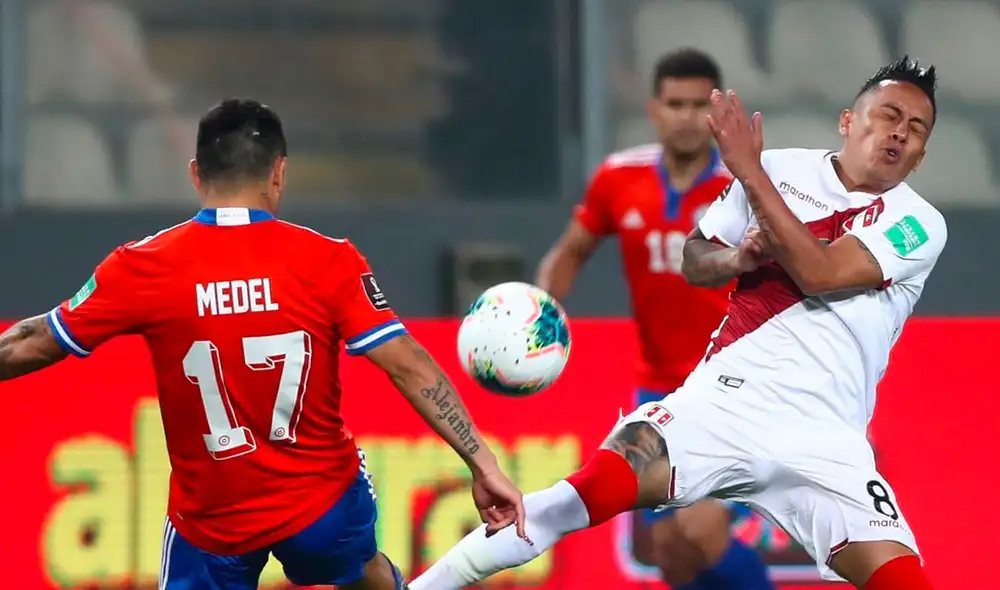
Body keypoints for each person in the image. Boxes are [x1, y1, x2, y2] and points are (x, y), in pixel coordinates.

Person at [410, 55, 944, 590]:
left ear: (920, 155)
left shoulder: (918, 223)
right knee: (583, 497)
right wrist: (736, 260)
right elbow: (696, 257)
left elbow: (820, 273)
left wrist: (749, 172)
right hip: (724, 402)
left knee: (902, 580)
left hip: (827, 436)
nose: (898, 133)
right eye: (888, 114)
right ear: (849, 121)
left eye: (915, 129)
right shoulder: (778, 168)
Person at [0, 98, 526, 590]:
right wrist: (483, 464)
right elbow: (409, 366)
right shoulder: (329, 260)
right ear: (278, 173)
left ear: (195, 174)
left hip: (211, 522)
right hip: (323, 506)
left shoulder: (143, 264)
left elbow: (39, 341)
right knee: (362, 568)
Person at [535, 48, 774, 589]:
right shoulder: (618, 179)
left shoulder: (748, 189)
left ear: (718, 113)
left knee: (698, 531)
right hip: (659, 392)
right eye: (675, 103)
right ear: (654, 109)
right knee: (669, 548)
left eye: (698, 105)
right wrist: (542, 309)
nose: (687, 116)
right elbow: (571, 250)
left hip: (736, 390)